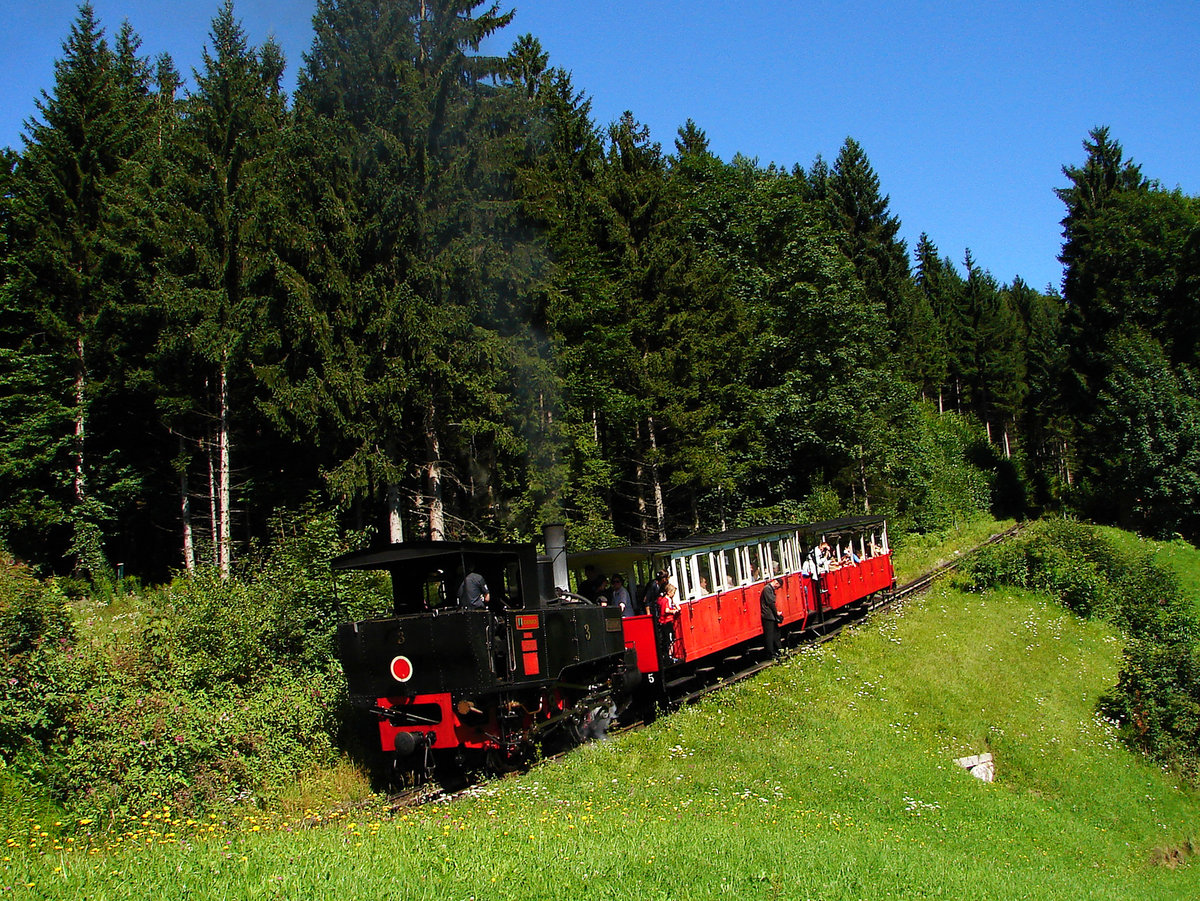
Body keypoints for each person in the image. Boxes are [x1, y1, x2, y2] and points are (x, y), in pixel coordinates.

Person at [760, 576, 783, 658]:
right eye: (778, 587)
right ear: (776, 583)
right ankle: (771, 653)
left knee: (775, 634)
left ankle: (779, 650)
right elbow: (770, 602)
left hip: (770, 615)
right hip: (768, 615)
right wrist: (776, 613)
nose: (777, 589)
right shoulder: (767, 589)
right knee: (769, 635)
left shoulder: (769, 589)